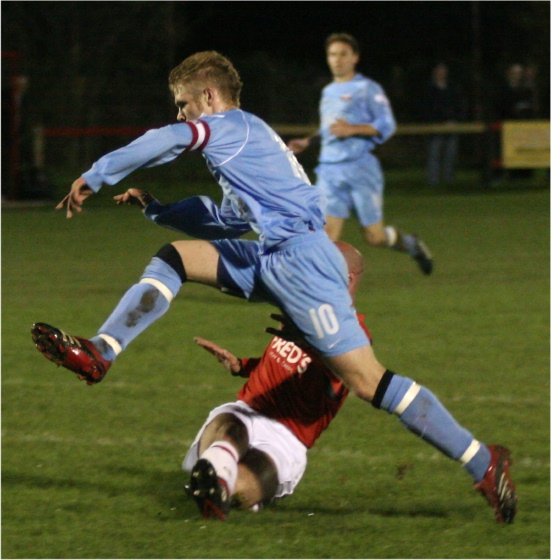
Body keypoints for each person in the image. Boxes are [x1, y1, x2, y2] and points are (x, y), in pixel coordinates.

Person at [31, 50, 516, 524]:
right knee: (174, 257)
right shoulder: (248, 143)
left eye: (183, 103)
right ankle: (100, 351)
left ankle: (483, 461)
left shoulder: (231, 127)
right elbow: (225, 219)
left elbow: (167, 139)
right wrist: (158, 208)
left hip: (304, 263)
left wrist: (95, 175)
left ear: (207, 95)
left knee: (368, 381)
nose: (180, 113)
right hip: (271, 256)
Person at [288, 33, 433, 275]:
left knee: (374, 237)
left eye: (343, 54)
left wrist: (352, 129)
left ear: (355, 57)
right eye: (332, 54)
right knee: (326, 235)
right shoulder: (328, 91)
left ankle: (411, 245)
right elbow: (330, 127)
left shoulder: (367, 88)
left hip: (360, 169)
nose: (337, 60)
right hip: (330, 171)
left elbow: (387, 125)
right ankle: (317, 292)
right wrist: (309, 141)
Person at [421, 62, 467, 187]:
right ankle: (433, 182)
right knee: (434, 155)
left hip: (451, 125)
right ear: (434, 72)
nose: (441, 73)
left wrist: (456, 119)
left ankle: (449, 181)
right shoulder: (429, 88)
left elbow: (459, 105)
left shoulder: (453, 87)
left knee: (451, 155)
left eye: (443, 70)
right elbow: (426, 108)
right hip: (435, 126)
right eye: (439, 70)